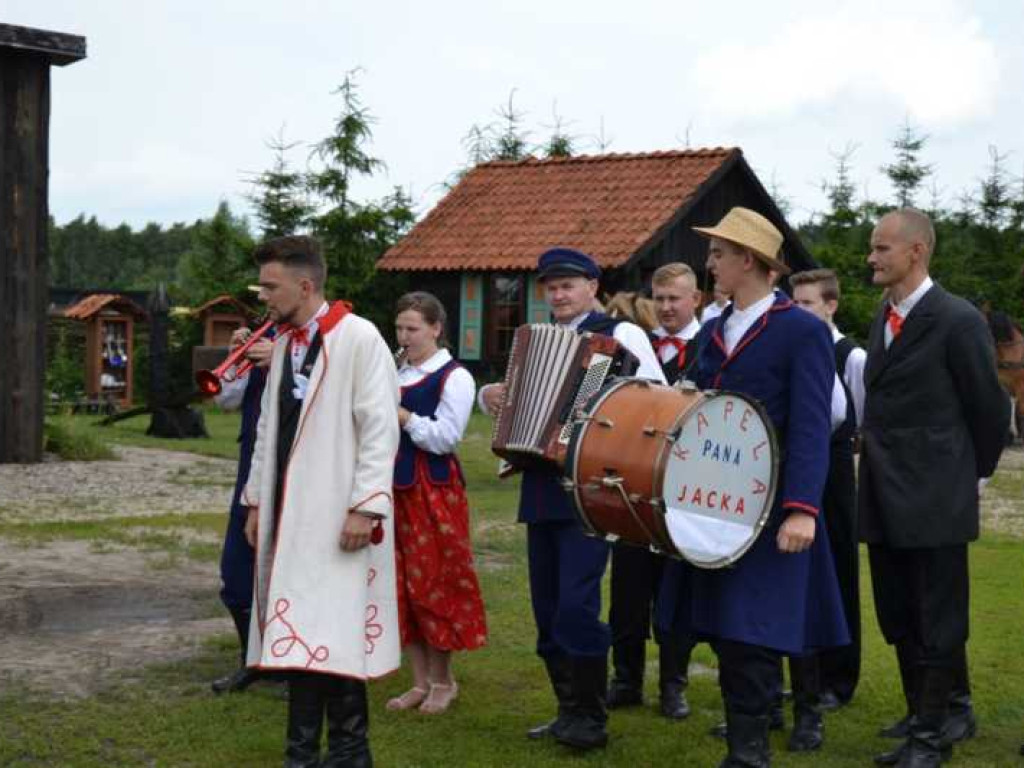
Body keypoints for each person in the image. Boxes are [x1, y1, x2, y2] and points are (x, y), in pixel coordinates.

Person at [656, 207, 848, 767]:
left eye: (718, 254)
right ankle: (748, 735)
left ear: (750, 260)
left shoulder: (802, 330)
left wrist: (802, 509)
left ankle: (749, 755)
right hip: (712, 505)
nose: (709, 262)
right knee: (720, 627)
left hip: (770, 508)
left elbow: (814, 424)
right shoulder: (714, 329)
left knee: (754, 631)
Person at [479, 247, 664, 751]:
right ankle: (568, 709)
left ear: (591, 286)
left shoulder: (620, 334)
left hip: (589, 485)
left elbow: (656, 396)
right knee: (547, 606)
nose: (558, 295)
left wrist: (599, 404)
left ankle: (591, 717)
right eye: (551, 287)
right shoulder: (537, 340)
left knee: (577, 605)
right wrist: (489, 397)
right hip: (541, 482)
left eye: (568, 285)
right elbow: (517, 400)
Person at [242, 235, 400, 768]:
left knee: (335, 625)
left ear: (304, 285)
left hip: (338, 510)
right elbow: (270, 423)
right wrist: (256, 501)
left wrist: (366, 505)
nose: (262, 295)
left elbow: (380, 427)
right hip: (290, 508)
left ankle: (351, 751)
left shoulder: (360, 338)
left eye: (270, 286)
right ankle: (303, 753)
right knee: (301, 627)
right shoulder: (285, 342)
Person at [858, 209, 1007, 768]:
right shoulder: (884, 315)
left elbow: (989, 411)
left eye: (881, 248)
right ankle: (940, 708)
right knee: (899, 612)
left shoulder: (957, 319)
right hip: (883, 488)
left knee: (937, 616)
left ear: (916, 252)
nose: (871, 258)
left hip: (934, 495)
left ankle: (929, 738)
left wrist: (968, 476)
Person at [605, 262, 700, 721]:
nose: (665, 308)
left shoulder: (712, 346)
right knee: (626, 587)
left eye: (675, 299)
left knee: (674, 591)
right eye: (659, 299)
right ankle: (625, 679)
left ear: (695, 300)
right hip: (631, 481)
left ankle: (673, 685)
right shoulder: (633, 345)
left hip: (682, 488)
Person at [386, 291, 487, 716]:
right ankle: (420, 681)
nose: (404, 336)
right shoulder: (395, 371)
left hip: (433, 489)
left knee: (436, 583)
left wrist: (403, 415)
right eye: (399, 328)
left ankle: (445, 681)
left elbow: (446, 437)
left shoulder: (455, 377)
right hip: (394, 486)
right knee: (403, 586)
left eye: (412, 328)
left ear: (435, 329)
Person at [790, 268, 866, 709]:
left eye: (807, 304)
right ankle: (806, 674)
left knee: (838, 571)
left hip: (835, 471)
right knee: (802, 575)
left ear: (830, 306)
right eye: (793, 304)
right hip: (801, 466)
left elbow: (859, 418)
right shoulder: (797, 345)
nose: (798, 313)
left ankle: (840, 678)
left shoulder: (850, 355)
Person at [210, 320, 274, 694]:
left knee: (285, 571)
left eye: (271, 289)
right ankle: (251, 661)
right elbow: (224, 398)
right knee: (235, 568)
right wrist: (235, 358)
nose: (266, 299)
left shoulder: (325, 339)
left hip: (295, 471)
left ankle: (291, 664)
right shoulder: (260, 338)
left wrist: (279, 360)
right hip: (251, 467)